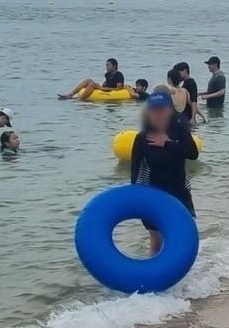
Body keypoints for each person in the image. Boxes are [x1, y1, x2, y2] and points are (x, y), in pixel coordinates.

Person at [129, 91, 200, 256]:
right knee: (156, 243)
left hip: (179, 191)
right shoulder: (141, 138)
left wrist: (167, 143)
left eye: (162, 109)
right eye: (154, 109)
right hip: (154, 193)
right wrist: (138, 200)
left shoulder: (180, 130)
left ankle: (190, 278)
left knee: (183, 237)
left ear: (170, 110)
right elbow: (136, 172)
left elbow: (193, 153)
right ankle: (150, 277)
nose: (158, 113)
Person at [58, 58, 127, 100]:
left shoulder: (119, 75)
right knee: (88, 80)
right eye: (106, 65)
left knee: (92, 84)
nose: (106, 67)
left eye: (108, 65)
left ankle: (80, 99)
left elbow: (118, 88)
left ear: (114, 66)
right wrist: (103, 86)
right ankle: (70, 94)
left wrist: (107, 89)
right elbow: (106, 82)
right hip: (105, 89)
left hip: (111, 91)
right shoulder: (107, 74)